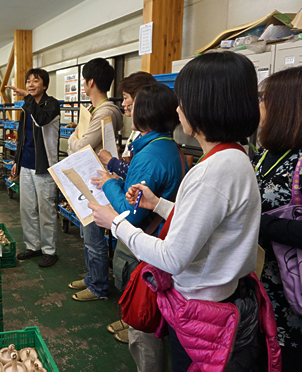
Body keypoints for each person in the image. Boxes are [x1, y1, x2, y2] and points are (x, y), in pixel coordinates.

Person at [89, 52, 280, 371]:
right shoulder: (234, 156)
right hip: (225, 299)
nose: (177, 110)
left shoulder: (211, 172)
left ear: (206, 106)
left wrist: (116, 224)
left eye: (183, 100)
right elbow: (208, 220)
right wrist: (159, 204)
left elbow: (173, 256)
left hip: (202, 312)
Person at [92, 82, 184, 370]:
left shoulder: (150, 155)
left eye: (132, 105)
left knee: (144, 332)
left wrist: (108, 185)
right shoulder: (165, 146)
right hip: (159, 241)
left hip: (145, 249)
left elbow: (131, 215)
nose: (126, 108)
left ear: (144, 113)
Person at [254, 66, 302, 370]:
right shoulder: (266, 153)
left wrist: (255, 222)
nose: (258, 106)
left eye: (263, 99)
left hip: (291, 293)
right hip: (262, 285)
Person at [65, 57, 123, 302]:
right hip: (91, 180)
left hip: (98, 184)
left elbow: (80, 146)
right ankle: (92, 277)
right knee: (87, 234)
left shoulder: (106, 112)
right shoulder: (96, 111)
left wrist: (73, 138)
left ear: (90, 82)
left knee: (93, 237)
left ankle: (98, 286)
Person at [6, 68, 61, 267]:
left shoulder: (51, 105)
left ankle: (49, 250)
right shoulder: (26, 108)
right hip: (26, 164)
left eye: (35, 81)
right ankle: (33, 246)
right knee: (27, 208)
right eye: (28, 81)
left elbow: (41, 120)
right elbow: (23, 137)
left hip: (44, 165)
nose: (30, 84)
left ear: (44, 85)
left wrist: (25, 98)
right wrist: (16, 161)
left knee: (46, 209)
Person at [98, 72, 157, 179]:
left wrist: (111, 161)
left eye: (126, 98)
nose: (123, 104)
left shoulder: (149, 136)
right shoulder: (138, 131)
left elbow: (139, 171)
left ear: (139, 99)